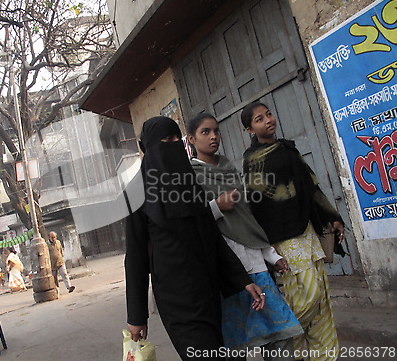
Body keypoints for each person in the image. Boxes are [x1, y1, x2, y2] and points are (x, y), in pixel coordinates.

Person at [125, 116, 265, 361]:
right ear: (149, 147)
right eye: (167, 139)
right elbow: (135, 256)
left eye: (177, 138)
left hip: (208, 289)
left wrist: (242, 279)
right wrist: (136, 316)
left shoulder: (189, 183)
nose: (174, 143)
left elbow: (212, 236)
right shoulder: (136, 192)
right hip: (175, 297)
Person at [188, 113, 303, 361]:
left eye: (216, 131)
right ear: (191, 139)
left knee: (279, 334)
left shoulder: (229, 167)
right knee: (233, 341)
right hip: (225, 270)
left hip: (254, 263)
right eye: (205, 132)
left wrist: (270, 254)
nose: (213, 137)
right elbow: (190, 222)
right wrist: (216, 206)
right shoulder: (190, 176)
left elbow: (246, 217)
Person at [241, 103, 345, 361]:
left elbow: (311, 186)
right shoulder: (252, 160)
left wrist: (332, 217)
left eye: (268, 114)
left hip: (306, 231)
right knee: (305, 298)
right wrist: (268, 246)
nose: (268, 120)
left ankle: (324, 356)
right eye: (259, 119)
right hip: (283, 239)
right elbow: (258, 203)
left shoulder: (288, 149)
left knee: (320, 300)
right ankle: (284, 342)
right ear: (249, 129)